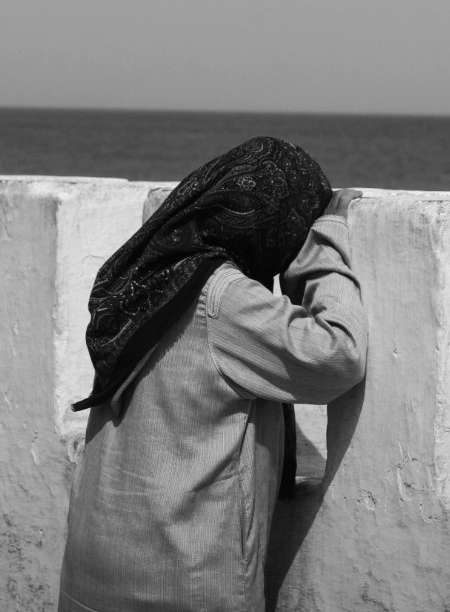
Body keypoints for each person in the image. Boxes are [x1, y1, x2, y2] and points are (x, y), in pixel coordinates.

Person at [58, 137, 368, 612]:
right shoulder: (222, 297)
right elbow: (336, 359)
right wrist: (318, 249)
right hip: (183, 572)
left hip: (97, 562)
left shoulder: (149, 273)